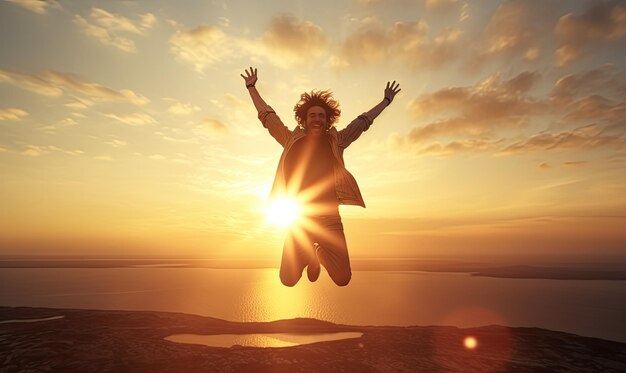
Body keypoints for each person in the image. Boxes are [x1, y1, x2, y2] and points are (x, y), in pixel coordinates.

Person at [241, 67, 400, 287]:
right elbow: (268, 117)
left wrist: (385, 101)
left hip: (330, 221)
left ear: (327, 121)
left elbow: (362, 123)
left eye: (321, 116)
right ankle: (309, 256)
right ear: (304, 119)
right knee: (287, 280)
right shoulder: (290, 139)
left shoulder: (337, 141)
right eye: (312, 115)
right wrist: (251, 88)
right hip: (299, 221)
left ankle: (318, 254)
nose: (317, 119)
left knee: (343, 278)